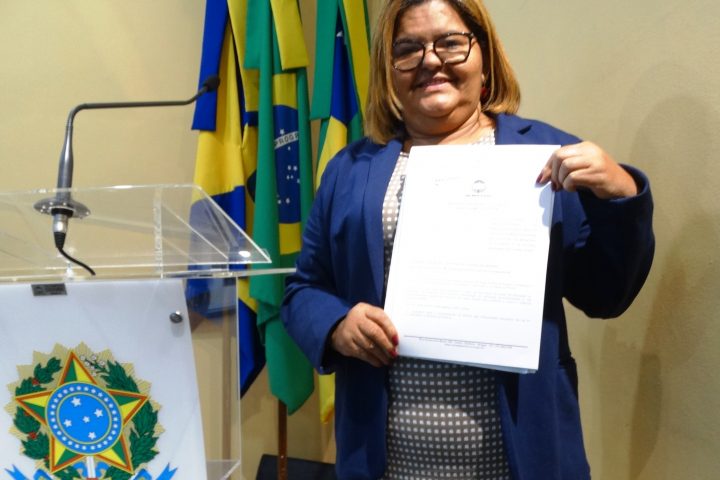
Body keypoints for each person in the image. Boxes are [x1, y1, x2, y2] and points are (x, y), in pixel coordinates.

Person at [282, 0, 655, 478]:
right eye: (408, 49)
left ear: (484, 56)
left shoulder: (544, 156)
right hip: (389, 464)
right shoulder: (350, 170)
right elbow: (303, 289)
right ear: (389, 69)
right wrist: (336, 325)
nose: (430, 60)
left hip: (519, 460)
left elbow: (606, 294)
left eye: (451, 43)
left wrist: (620, 192)